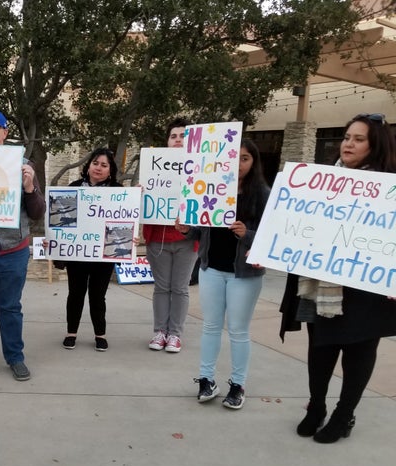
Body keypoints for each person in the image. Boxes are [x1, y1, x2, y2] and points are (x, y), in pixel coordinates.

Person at [279, 113, 396, 443]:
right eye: (346, 137)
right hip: (322, 283)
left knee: (358, 352)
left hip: (367, 288)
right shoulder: (321, 181)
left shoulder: (391, 187)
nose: (348, 144)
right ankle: (315, 407)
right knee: (320, 348)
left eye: (358, 139)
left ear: (375, 146)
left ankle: (344, 415)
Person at [175, 139, 269, 409]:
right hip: (211, 269)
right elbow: (201, 229)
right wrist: (186, 230)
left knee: (238, 331)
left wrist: (247, 234)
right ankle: (206, 379)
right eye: (234, 157)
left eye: (245, 158)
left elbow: (274, 237)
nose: (239, 164)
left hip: (244, 274)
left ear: (254, 162)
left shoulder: (262, 194)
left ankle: (238, 385)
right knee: (211, 327)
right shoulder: (210, 188)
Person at [0, 110, 46, 381]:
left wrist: (29, 188)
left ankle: (15, 357)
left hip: (13, 251)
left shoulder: (23, 164)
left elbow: (38, 213)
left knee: (11, 307)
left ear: (5, 133)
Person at [143, 118, 198, 353]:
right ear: (167, 140)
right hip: (158, 237)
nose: (177, 140)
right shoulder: (154, 165)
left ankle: (175, 334)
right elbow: (145, 196)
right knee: (161, 287)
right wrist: (141, 193)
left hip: (186, 240)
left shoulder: (200, 168)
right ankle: (160, 332)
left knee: (180, 288)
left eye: (183, 136)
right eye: (173, 136)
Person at [61, 148, 122, 352]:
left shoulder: (118, 191)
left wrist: (129, 239)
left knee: (98, 295)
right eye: (95, 163)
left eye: (104, 165)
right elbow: (61, 221)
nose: (98, 168)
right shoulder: (74, 188)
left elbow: (124, 221)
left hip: (103, 254)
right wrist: (55, 241)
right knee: (75, 293)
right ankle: (71, 333)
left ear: (110, 170)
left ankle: (100, 334)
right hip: (77, 252)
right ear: (88, 166)